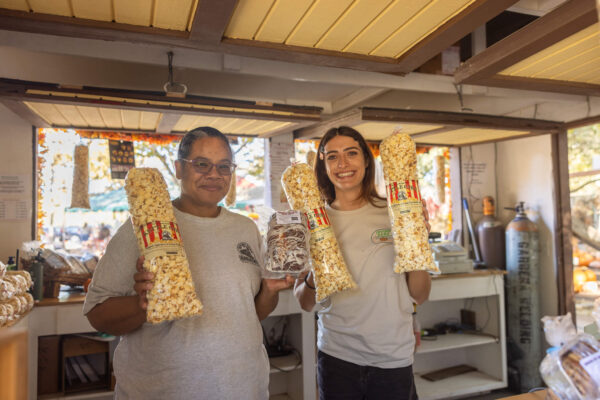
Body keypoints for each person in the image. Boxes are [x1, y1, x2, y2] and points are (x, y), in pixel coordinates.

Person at [84, 127, 294, 399]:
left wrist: (269, 291)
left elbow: (248, 313)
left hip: (244, 388)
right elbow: (97, 315)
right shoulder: (146, 228)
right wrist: (142, 302)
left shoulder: (246, 229)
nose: (214, 174)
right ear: (179, 169)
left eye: (224, 166)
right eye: (202, 164)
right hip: (165, 391)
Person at [294, 126, 432, 400]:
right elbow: (305, 302)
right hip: (337, 356)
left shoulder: (395, 212)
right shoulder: (313, 222)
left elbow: (420, 294)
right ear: (324, 165)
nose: (342, 164)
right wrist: (316, 267)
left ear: (367, 160)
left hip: (391, 356)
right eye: (332, 156)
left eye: (351, 153)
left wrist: (416, 242)